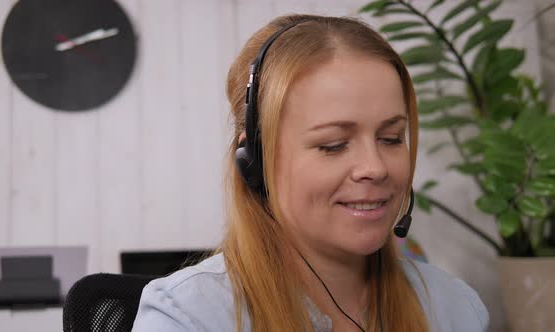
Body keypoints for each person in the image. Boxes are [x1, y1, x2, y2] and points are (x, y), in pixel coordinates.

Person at [132, 14, 489, 332]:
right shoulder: (188, 317)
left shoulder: (455, 309)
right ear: (254, 160)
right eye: (333, 145)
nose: (376, 168)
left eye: (391, 138)